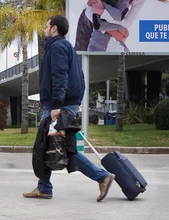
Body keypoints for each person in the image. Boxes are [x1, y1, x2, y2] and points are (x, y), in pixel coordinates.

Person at [23, 15, 115, 202]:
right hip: (66, 103)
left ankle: (101, 176)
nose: (45, 28)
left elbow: (59, 76)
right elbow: (79, 77)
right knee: (52, 145)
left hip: (59, 106)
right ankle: (44, 187)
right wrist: (76, 100)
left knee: (58, 148)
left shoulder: (57, 47)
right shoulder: (67, 47)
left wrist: (57, 105)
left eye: (47, 25)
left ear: (54, 28)